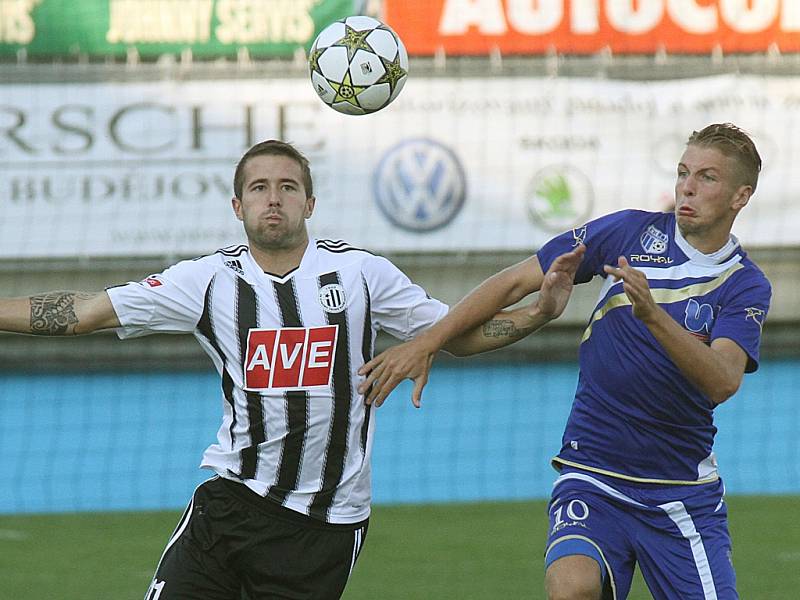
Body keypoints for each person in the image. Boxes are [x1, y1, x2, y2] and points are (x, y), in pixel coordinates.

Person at [0, 139, 583, 599]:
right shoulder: (207, 281)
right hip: (230, 506)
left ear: (310, 202)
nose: (272, 198)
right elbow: (85, 312)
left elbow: (455, 334)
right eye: (258, 188)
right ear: (238, 206)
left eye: (287, 186)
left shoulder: (361, 275)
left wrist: (539, 312)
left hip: (326, 528)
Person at [358, 123, 771, 599]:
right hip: (592, 473)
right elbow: (515, 281)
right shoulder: (628, 232)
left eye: (707, 177)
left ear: (741, 196)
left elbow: (722, 381)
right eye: (683, 172)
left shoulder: (745, 285)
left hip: (680, 492)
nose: (688, 187)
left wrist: (653, 316)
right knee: (571, 588)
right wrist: (427, 342)